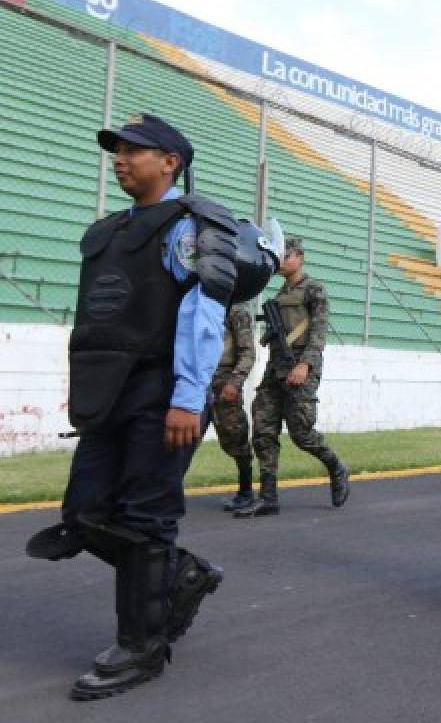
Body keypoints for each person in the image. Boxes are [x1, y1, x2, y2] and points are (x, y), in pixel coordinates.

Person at [24, 114, 277, 699]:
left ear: (170, 162)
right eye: (116, 148)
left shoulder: (190, 227)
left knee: (143, 519)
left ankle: (141, 647)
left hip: (165, 392)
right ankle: (183, 573)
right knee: (84, 513)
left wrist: (188, 399)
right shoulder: (108, 231)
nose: (120, 157)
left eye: (134, 149)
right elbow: (101, 319)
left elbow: (200, 315)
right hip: (110, 393)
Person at [238, 237, 350, 517]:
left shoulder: (314, 290)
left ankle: (336, 467)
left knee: (302, 433)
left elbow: (319, 331)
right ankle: (268, 496)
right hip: (275, 369)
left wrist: (306, 365)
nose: (281, 261)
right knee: (263, 429)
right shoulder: (277, 297)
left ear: (299, 257)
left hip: (300, 366)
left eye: (286, 256)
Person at [211, 302, 257, 513]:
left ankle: (246, 491)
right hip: (196, 380)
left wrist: (235, 382)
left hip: (224, 382)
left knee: (235, 437)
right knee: (182, 440)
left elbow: (247, 352)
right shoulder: (199, 303)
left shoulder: (236, 310)